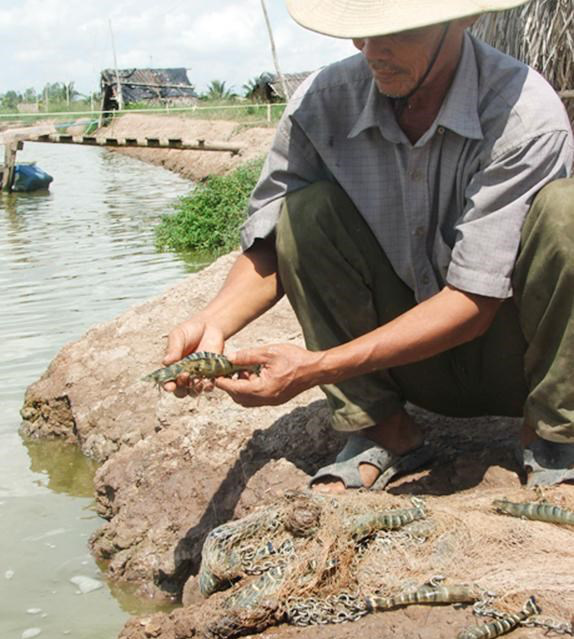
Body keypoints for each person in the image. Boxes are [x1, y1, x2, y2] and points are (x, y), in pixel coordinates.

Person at [163, 0, 574, 491]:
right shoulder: (324, 103)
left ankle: (552, 438)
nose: (371, 51)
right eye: (360, 34)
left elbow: (475, 302)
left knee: (566, 213)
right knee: (303, 211)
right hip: (406, 365)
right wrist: (210, 324)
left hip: (514, 363)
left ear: (465, 20)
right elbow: (270, 246)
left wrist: (315, 369)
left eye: (397, 32)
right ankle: (382, 429)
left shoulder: (525, 115)